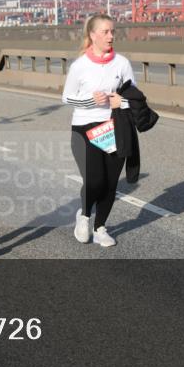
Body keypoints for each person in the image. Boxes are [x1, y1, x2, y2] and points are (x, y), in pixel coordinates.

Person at [62, 13, 135, 247]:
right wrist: (90, 100)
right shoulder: (80, 66)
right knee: (95, 180)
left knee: (111, 182)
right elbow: (67, 97)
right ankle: (83, 215)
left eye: (113, 31)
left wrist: (120, 102)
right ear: (92, 35)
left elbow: (135, 96)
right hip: (84, 128)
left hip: (113, 127)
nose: (111, 36)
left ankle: (100, 227)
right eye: (105, 32)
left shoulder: (122, 63)